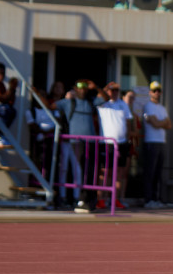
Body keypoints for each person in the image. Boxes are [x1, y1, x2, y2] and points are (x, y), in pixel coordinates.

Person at [55, 80, 108, 213]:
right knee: (81, 170)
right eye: (80, 87)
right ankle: (80, 199)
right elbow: (50, 105)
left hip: (91, 142)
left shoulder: (90, 102)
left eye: (85, 87)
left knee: (90, 170)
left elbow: (105, 98)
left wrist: (95, 86)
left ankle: (89, 200)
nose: (83, 89)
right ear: (75, 89)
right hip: (76, 142)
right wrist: (35, 93)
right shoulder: (69, 103)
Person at [95, 81, 132, 210]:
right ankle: (101, 199)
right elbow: (99, 98)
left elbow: (128, 121)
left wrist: (127, 139)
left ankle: (115, 199)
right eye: (112, 90)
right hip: (107, 143)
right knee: (105, 172)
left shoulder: (123, 104)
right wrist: (104, 90)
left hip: (121, 143)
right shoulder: (102, 103)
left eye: (116, 90)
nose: (114, 92)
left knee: (120, 173)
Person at [142, 81, 171, 209]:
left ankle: (155, 198)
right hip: (151, 142)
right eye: (154, 90)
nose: (157, 93)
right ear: (150, 92)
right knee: (150, 172)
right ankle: (148, 199)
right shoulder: (148, 106)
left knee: (158, 172)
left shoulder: (162, 108)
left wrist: (161, 122)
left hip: (161, 142)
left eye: (158, 90)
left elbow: (169, 125)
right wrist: (162, 122)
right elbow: (156, 124)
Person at [0, 62, 18, 128]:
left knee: (11, 110)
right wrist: (11, 88)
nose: (2, 75)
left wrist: (13, 89)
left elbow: (10, 101)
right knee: (6, 109)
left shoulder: (1, 84)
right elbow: (3, 98)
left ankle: (0, 132)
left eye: (4, 73)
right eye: (0, 73)